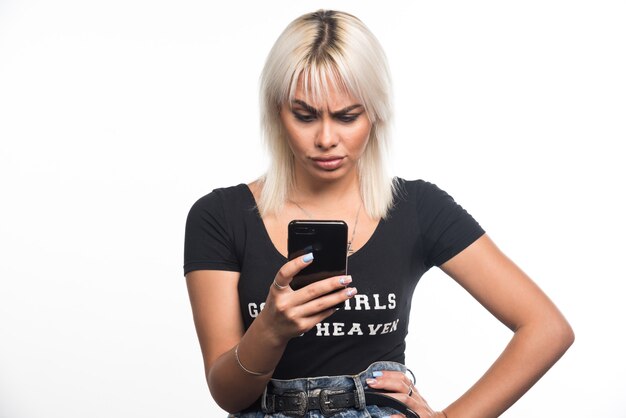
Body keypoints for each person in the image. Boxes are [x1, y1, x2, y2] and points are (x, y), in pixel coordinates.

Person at [184, 10, 574, 418]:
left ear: (375, 112)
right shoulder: (219, 216)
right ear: (277, 112)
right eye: (304, 115)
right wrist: (270, 329)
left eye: (347, 116)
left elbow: (547, 328)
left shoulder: (418, 208)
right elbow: (227, 395)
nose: (326, 138)